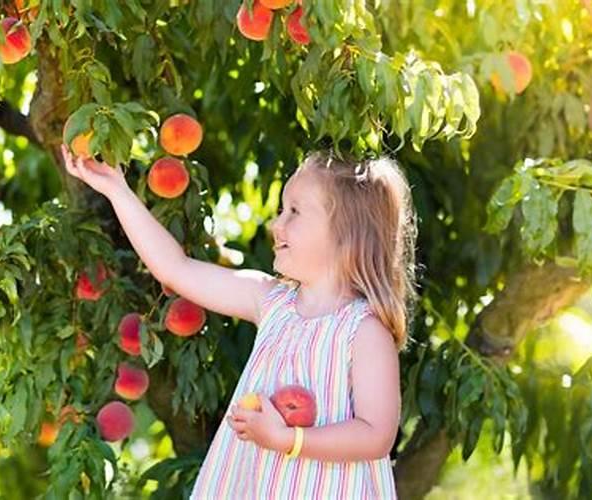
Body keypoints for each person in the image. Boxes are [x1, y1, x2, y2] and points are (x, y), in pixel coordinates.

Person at [61, 145, 417, 499]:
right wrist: (116, 190)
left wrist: (287, 440)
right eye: (281, 210)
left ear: (346, 233)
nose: (277, 223)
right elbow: (175, 269)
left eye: (294, 212)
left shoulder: (364, 331)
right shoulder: (270, 301)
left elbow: (376, 434)